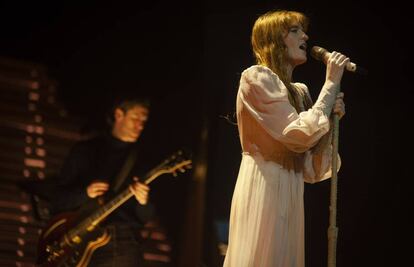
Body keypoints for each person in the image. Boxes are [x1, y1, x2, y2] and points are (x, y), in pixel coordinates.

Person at [223, 10, 348, 267]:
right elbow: (298, 135)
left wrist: (331, 120)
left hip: (290, 188)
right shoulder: (256, 77)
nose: (305, 35)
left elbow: (314, 169)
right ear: (273, 40)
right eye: (294, 30)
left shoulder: (300, 92)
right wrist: (331, 83)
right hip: (263, 182)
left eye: (302, 30)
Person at [52, 96, 155, 266]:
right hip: (79, 242)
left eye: (144, 120)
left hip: (122, 242)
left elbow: (145, 217)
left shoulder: (142, 160)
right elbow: (57, 201)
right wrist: (85, 193)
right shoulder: (85, 151)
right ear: (119, 114)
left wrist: (143, 201)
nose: (140, 125)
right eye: (136, 118)